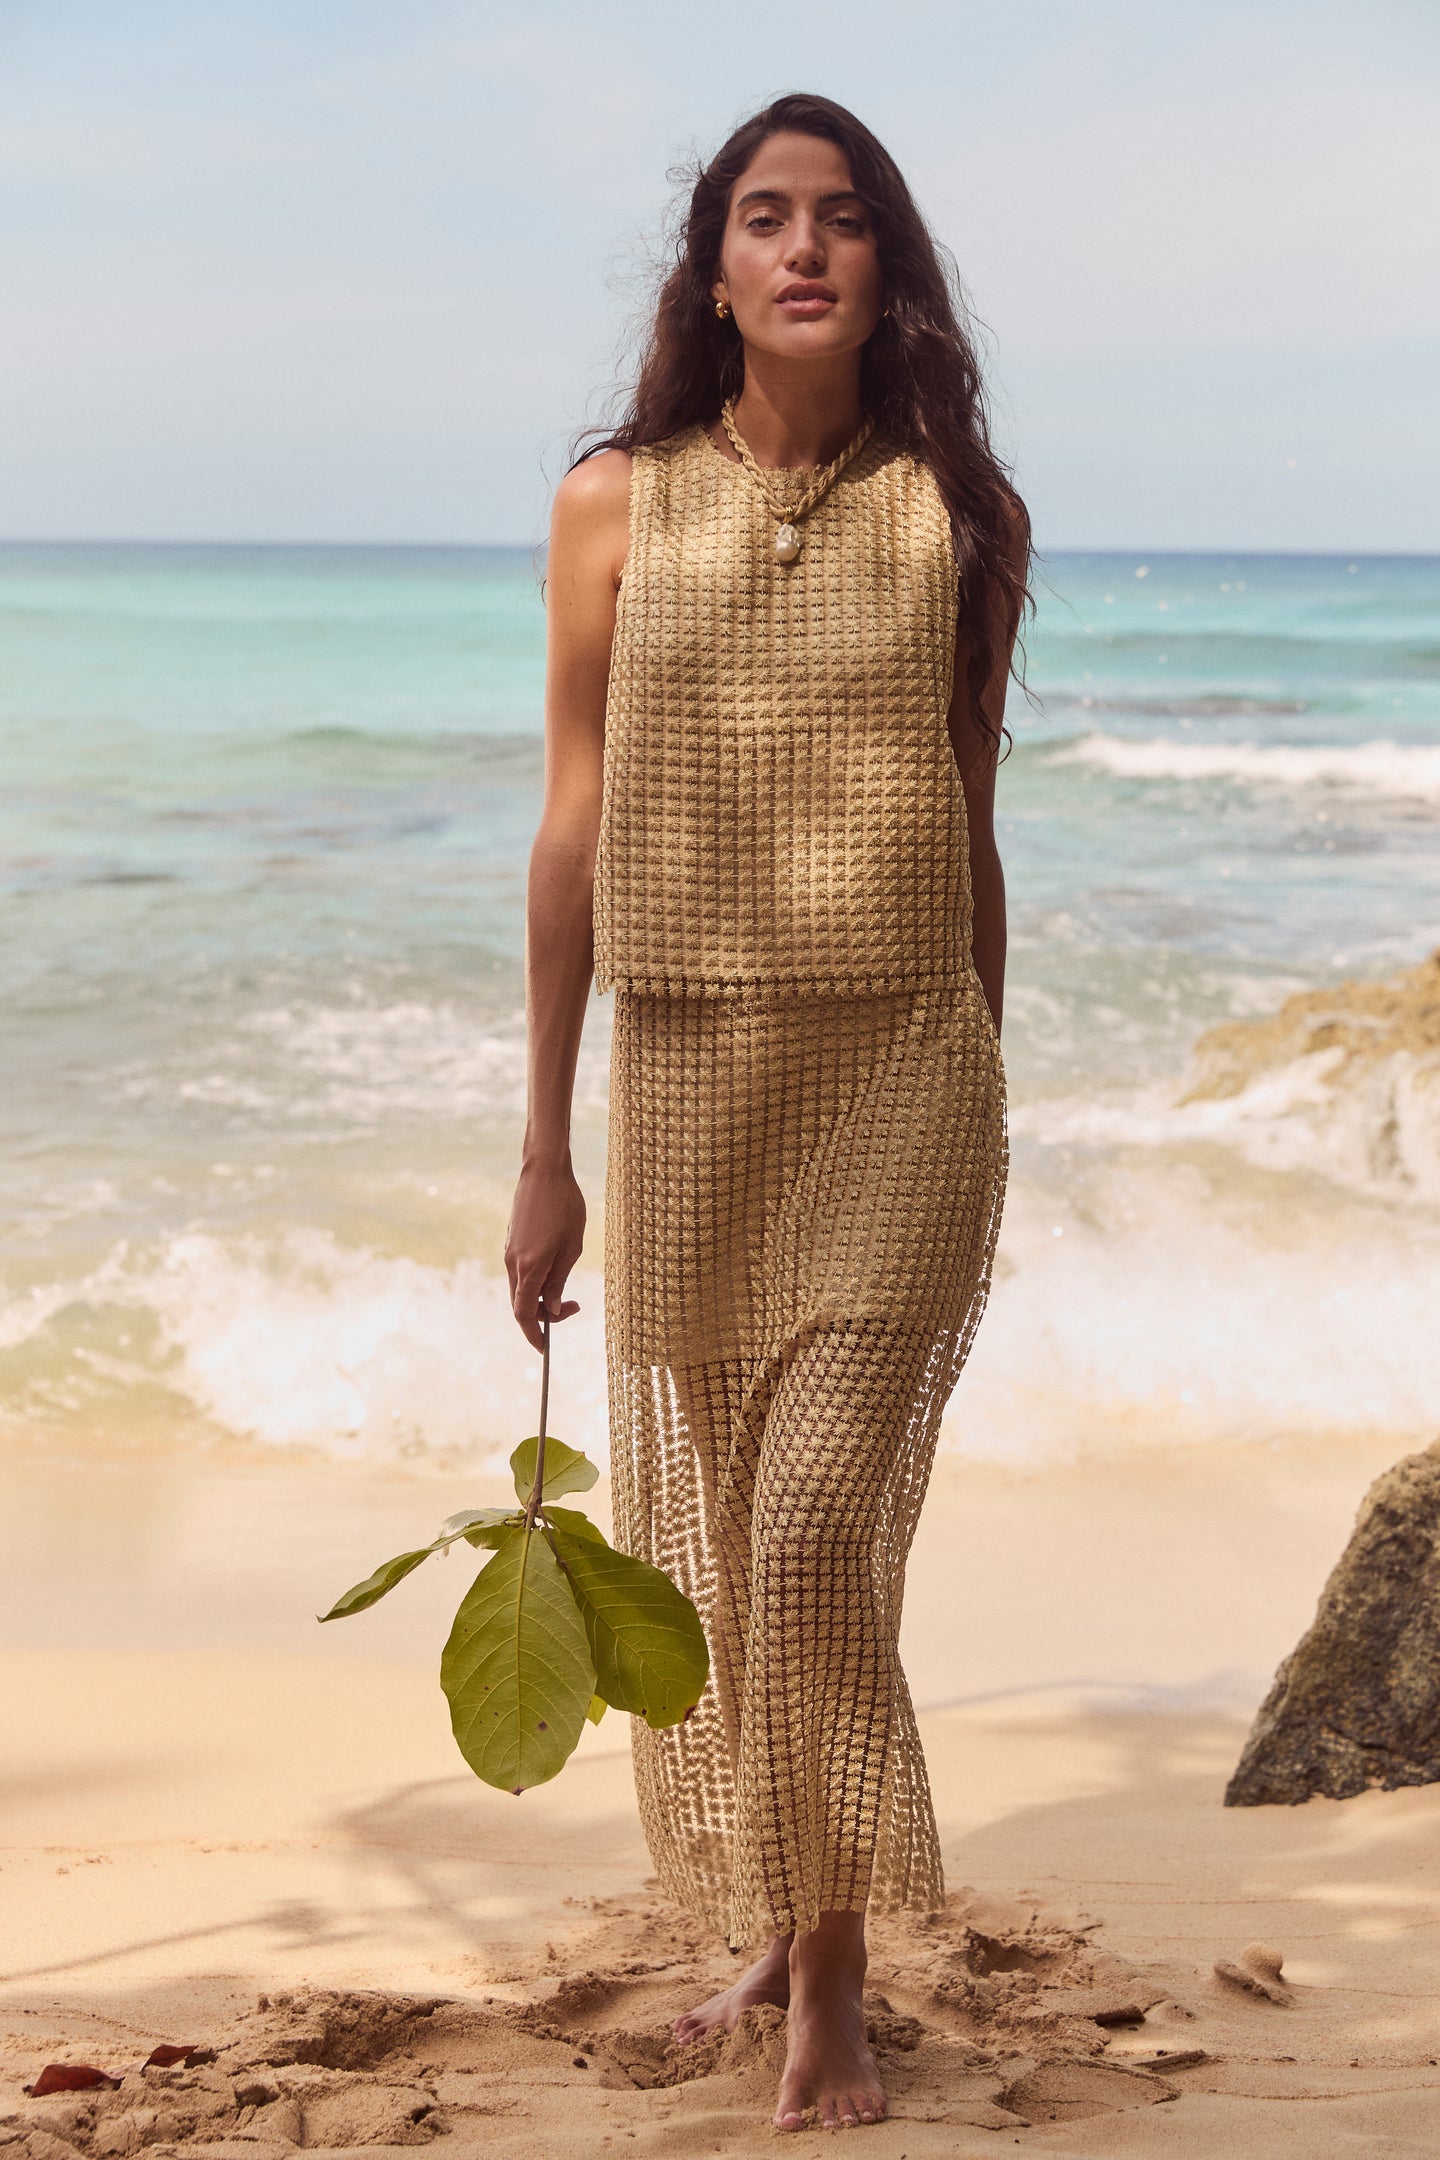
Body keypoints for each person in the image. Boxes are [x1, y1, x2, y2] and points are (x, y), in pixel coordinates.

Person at [506, 90, 1027, 2135]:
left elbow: (972, 829)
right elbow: (569, 832)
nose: (803, 250)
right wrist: (544, 1146)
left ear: (886, 267)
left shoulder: (957, 508)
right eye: (762, 218)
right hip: (696, 1079)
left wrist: (991, 1061)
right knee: (728, 1553)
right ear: (710, 266)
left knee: (812, 1534)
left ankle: (832, 1989)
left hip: (905, 1064)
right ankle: (790, 1910)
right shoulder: (616, 503)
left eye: (841, 222)